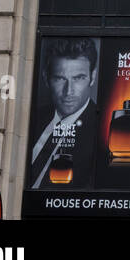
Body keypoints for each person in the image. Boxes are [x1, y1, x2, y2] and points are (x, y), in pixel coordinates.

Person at [29, 37, 99, 189]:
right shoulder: (31, 118)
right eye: (60, 79)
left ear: (92, 78)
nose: (69, 91)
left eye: (78, 78)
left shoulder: (102, 129)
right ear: (46, 78)